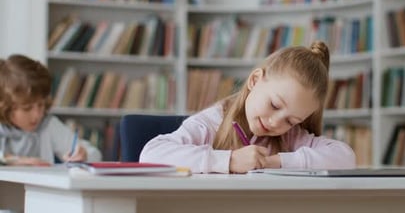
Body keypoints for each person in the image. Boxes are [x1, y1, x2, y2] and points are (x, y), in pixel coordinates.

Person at [140, 41, 356, 173]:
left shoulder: (289, 137)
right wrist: (230, 161)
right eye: (274, 105)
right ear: (254, 80)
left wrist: (275, 162)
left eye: (291, 121)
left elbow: (345, 157)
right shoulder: (211, 123)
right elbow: (151, 154)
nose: (275, 122)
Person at [0, 54, 102, 166]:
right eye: (27, 108)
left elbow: (95, 154)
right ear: (5, 107)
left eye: (41, 105)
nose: (37, 115)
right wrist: (14, 160)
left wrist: (84, 154)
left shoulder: (48, 125)